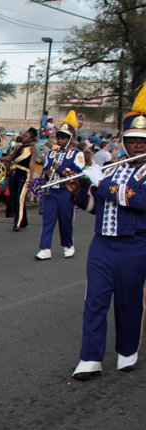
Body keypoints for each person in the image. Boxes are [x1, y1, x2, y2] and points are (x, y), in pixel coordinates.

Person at [66, 86, 146, 380]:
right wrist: (79, 194)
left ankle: (127, 350)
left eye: (142, 141)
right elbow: (98, 209)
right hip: (102, 244)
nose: (138, 146)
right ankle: (90, 357)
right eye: (132, 140)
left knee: (128, 300)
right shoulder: (111, 168)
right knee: (95, 299)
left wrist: (101, 184)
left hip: (135, 245)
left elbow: (138, 200)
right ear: (124, 141)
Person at [36, 111, 84, 260]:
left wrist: (60, 169)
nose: (60, 140)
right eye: (59, 137)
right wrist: (47, 174)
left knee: (65, 220)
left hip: (65, 192)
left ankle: (68, 245)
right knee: (48, 220)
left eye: (63, 138)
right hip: (51, 191)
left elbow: (77, 174)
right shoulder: (51, 154)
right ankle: (45, 248)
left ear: (70, 139)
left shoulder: (77, 154)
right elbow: (44, 170)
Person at [0, 127, 38, 231]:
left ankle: (17, 223)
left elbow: (32, 164)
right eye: (23, 136)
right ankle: (24, 220)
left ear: (31, 139)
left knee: (21, 199)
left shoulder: (32, 149)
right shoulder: (18, 147)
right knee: (16, 198)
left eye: (26, 136)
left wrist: (31, 177)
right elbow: (11, 158)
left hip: (25, 175)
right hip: (16, 174)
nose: (23, 138)